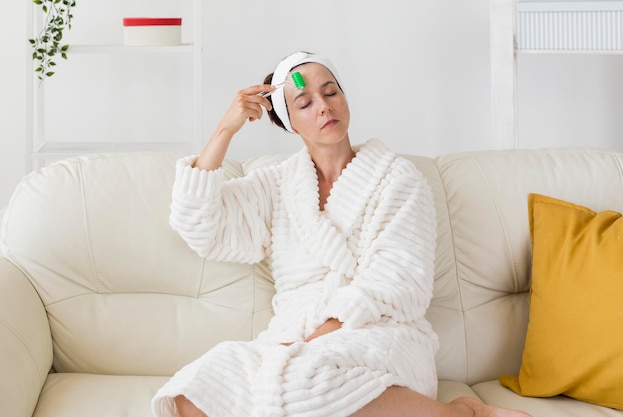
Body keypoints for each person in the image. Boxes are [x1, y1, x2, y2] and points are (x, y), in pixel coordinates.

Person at [152, 51, 531, 417]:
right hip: (292, 340)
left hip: (379, 333)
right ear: (290, 124)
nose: (324, 107)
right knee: (192, 387)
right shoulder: (278, 185)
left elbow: (398, 283)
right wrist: (225, 129)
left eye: (331, 91)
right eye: (304, 103)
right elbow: (198, 223)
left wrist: (308, 346)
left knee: (305, 381)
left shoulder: (397, 178)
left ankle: (460, 414)